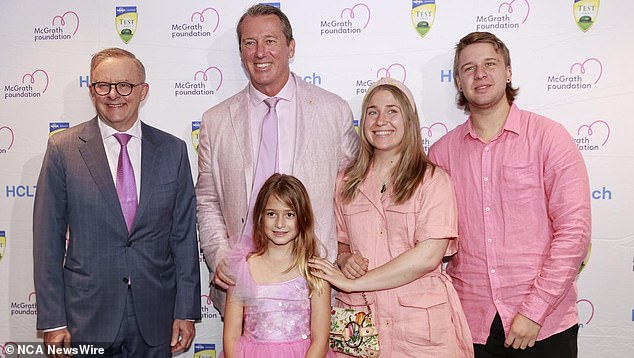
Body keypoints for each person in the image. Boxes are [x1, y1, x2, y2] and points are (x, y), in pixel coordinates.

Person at [428, 31, 591, 357]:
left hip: (545, 326)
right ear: (458, 81)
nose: (480, 74)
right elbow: (429, 240)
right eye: (468, 68)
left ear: (508, 71)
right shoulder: (441, 154)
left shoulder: (548, 138)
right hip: (469, 326)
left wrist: (535, 310)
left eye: (490, 63)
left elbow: (574, 233)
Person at [33, 48, 201, 357]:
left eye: (125, 85)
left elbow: (183, 238)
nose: (114, 95)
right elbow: (47, 242)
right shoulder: (63, 149)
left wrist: (186, 310)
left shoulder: (173, 151)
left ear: (143, 91)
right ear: (91, 90)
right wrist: (53, 319)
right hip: (85, 315)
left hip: (155, 313)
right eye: (103, 85)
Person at [196, 4, 358, 314]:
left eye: (270, 41)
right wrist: (219, 257)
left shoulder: (332, 111)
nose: (260, 52)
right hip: (243, 285)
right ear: (241, 51)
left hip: (314, 282)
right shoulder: (215, 121)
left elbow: (351, 195)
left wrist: (347, 251)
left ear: (290, 47)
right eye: (249, 42)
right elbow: (207, 201)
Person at [309, 78, 474, 357]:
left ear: (409, 119)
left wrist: (353, 282)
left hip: (420, 331)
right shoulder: (344, 182)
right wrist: (346, 259)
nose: (380, 120)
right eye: (372, 111)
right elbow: (340, 242)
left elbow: (427, 257)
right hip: (360, 326)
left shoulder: (433, 181)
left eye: (392, 111)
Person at [221, 173, 335, 358]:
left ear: (303, 218)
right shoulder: (243, 268)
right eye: (272, 214)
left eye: (289, 214)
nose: (280, 224)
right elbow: (231, 336)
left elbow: (320, 339)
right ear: (260, 217)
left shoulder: (314, 272)